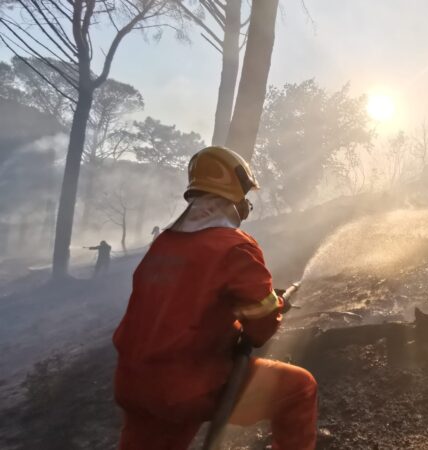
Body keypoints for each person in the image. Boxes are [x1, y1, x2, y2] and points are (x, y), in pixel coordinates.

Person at [113, 146, 317, 450]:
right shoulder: (234, 246)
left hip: (134, 383)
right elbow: (260, 326)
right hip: (189, 385)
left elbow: (188, 302)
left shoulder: (164, 244)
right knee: (299, 388)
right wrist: (271, 308)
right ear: (234, 198)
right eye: (244, 197)